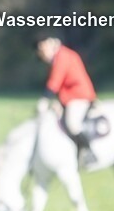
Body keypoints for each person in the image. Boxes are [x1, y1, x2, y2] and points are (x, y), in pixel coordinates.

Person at [35, 35, 98, 165]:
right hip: (68, 96)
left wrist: (44, 100)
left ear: (50, 43)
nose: (42, 54)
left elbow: (55, 82)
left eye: (43, 49)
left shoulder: (63, 57)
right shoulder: (59, 57)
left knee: (72, 124)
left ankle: (88, 152)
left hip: (79, 95)